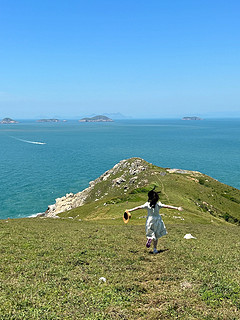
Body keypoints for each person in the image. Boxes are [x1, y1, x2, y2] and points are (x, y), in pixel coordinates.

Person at [126, 188, 183, 254]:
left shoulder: (147, 204)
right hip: (157, 220)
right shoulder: (158, 204)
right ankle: (155, 249)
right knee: (156, 235)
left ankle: (150, 238)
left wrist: (130, 210)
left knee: (149, 231)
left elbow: (138, 207)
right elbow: (167, 206)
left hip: (150, 220)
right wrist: (176, 208)